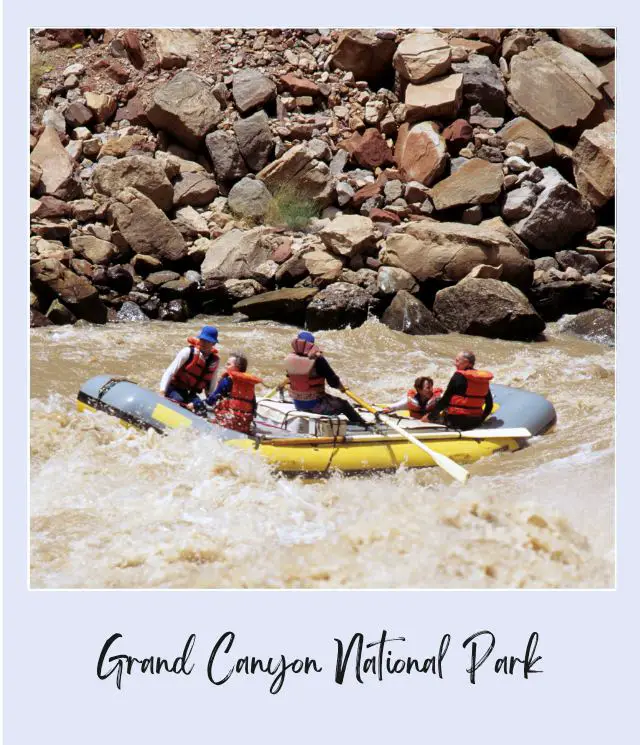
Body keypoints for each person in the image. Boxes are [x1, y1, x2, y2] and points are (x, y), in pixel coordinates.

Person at [283, 331, 368, 427]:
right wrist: (342, 388)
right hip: (315, 406)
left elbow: (290, 378)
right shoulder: (318, 360)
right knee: (344, 405)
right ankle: (362, 425)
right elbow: (333, 381)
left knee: (328, 399)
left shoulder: (290, 359)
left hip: (298, 404)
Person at [159, 326, 220, 415]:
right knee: (179, 400)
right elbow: (170, 372)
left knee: (201, 409)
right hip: (174, 389)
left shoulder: (214, 361)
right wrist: (162, 392)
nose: (203, 343)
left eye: (207, 341)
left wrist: (210, 404)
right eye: (202, 339)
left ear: (213, 343)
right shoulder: (188, 352)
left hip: (191, 394)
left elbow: (211, 388)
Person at [428, 351, 494, 431]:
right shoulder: (482, 379)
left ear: (466, 362)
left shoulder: (458, 376)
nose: (455, 363)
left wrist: (430, 417)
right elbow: (489, 405)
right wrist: (481, 419)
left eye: (457, 361)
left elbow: (445, 400)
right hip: (475, 422)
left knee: (437, 400)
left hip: (455, 422)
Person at [207, 353, 263, 434]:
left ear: (237, 367)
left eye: (228, 364)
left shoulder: (227, 381)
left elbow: (211, 400)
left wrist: (198, 404)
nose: (226, 366)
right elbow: (253, 407)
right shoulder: (249, 384)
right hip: (243, 425)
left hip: (226, 423)